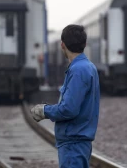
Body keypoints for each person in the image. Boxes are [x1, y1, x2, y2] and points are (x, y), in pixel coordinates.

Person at [30, 24, 100, 168]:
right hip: (78, 142)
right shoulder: (88, 67)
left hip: (73, 144)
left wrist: (44, 111)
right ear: (85, 44)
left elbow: (69, 109)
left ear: (62, 44)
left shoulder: (78, 70)